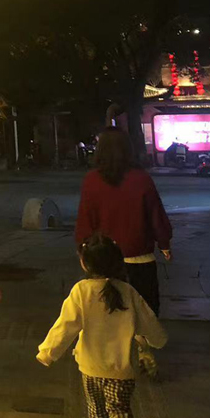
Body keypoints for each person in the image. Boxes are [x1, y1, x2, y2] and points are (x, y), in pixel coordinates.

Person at [37, 235, 166, 418]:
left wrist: (47, 353)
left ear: (85, 264)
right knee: (119, 411)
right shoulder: (128, 292)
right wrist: (157, 342)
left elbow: (65, 326)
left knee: (96, 407)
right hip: (121, 369)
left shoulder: (81, 291)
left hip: (90, 366)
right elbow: (149, 324)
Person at [75, 127, 172, 317]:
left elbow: (85, 222)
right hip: (140, 259)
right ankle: (143, 346)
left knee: (108, 317)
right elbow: (156, 215)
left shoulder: (91, 180)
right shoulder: (141, 179)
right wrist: (164, 244)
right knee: (144, 314)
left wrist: (83, 251)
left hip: (102, 262)